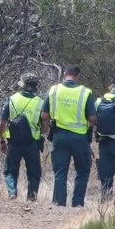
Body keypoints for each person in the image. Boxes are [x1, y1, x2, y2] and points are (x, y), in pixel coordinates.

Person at [40, 65, 96, 207]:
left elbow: (44, 115)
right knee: (82, 171)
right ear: (78, 76)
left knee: (60, 172)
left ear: (65, 74)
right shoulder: (85, 92)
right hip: (80, 138)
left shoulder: (54, 90)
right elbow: (92, 118)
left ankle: (59, 204)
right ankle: (77, 204)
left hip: (60, 136)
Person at [0, 72, 45, 201]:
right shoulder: (40, 103)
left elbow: (1, 125)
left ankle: (12, 193)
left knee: (10, 171)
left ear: (22, 85)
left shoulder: (12, 99)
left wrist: (2, 142)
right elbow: (45, 127)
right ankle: (32, 198)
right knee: (34, 173)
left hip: (14, 142)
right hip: (32, 144)